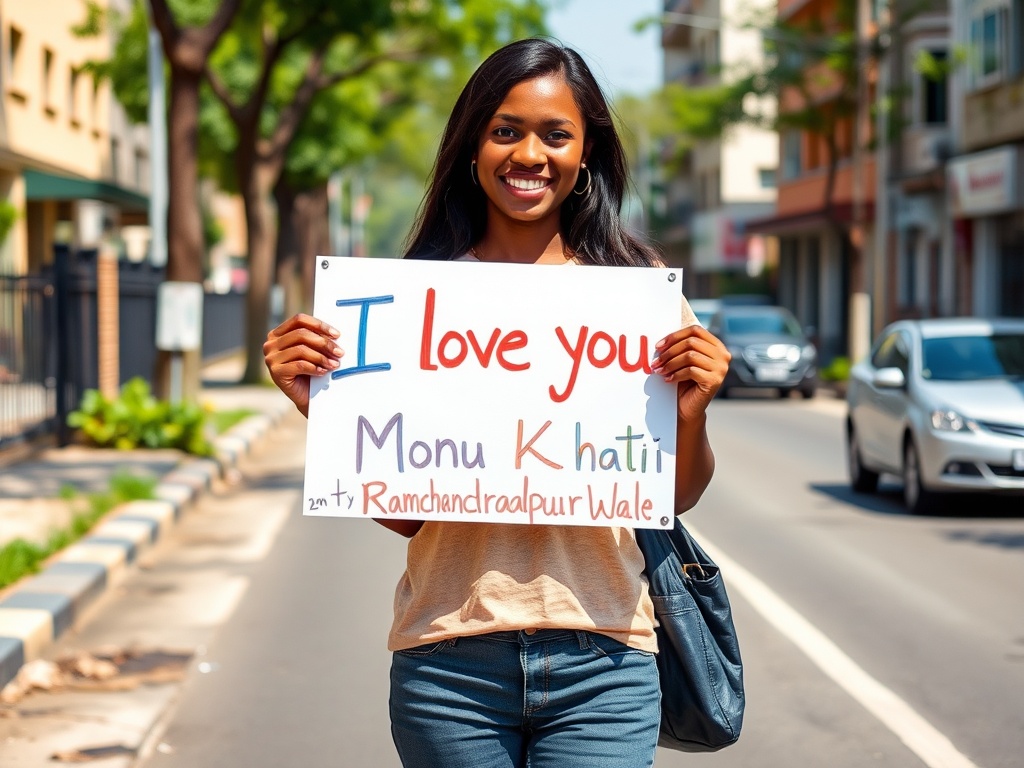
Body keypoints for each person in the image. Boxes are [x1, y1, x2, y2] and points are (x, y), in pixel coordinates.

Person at [263, 38, 730, 768]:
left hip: (604, 661)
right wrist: (323, 407)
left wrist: (693, 411)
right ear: (473, 146)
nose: (529, 154)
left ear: (586, 154)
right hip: (449, 663)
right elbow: (408, 514)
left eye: (555, 134)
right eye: (505, 130)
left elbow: (673, 496)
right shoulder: (412, 301)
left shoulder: (638, 296)